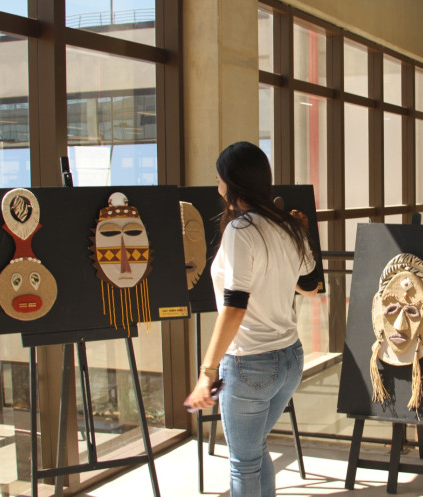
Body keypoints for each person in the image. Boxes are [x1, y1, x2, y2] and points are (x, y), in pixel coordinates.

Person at [185, 141, 319, 497]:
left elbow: (234, 306)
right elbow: (310, 282)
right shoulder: (287, 227)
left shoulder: (241, 230)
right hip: (290, 358)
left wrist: (207, 373)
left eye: (219, 180)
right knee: (256, 450)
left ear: (232, 183)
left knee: (243, 464)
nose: (217, 188)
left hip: (249, 365)